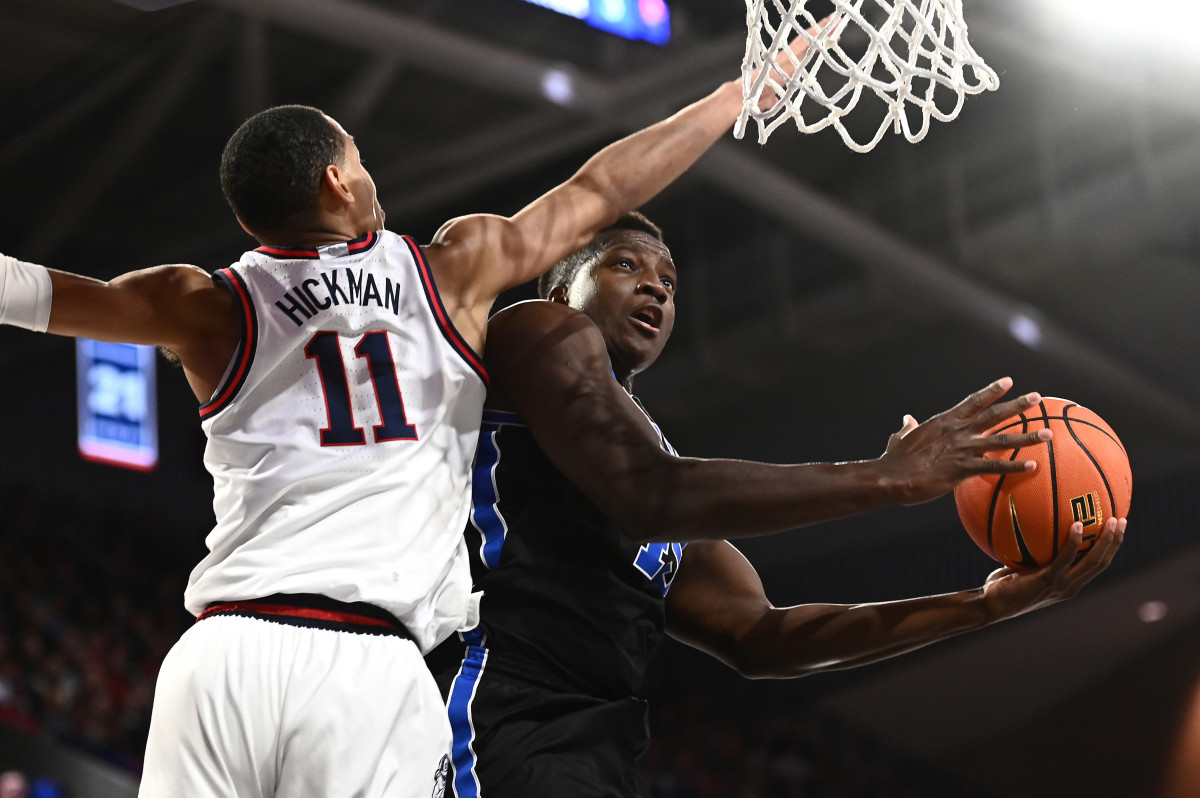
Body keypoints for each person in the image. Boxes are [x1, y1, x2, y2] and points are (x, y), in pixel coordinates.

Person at [0, 38, 824, 795]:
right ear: (336, 181)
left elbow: (40, 295)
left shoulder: (204, 304)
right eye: (357, 155)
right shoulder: (449, 275)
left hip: (222, 655)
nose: (368, 170)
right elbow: (603, 188)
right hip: (368, 667)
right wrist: (731, 97)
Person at [432, 213, 1125, 798]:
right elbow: (647, 494)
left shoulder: (661, 465)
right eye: (625, 265)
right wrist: (885, 479)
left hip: (594, 739)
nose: (655, 286)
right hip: (491, 702)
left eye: (669, 281)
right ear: (563, 284)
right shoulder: (538, 332)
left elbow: (760, 636)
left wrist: (988, 606)